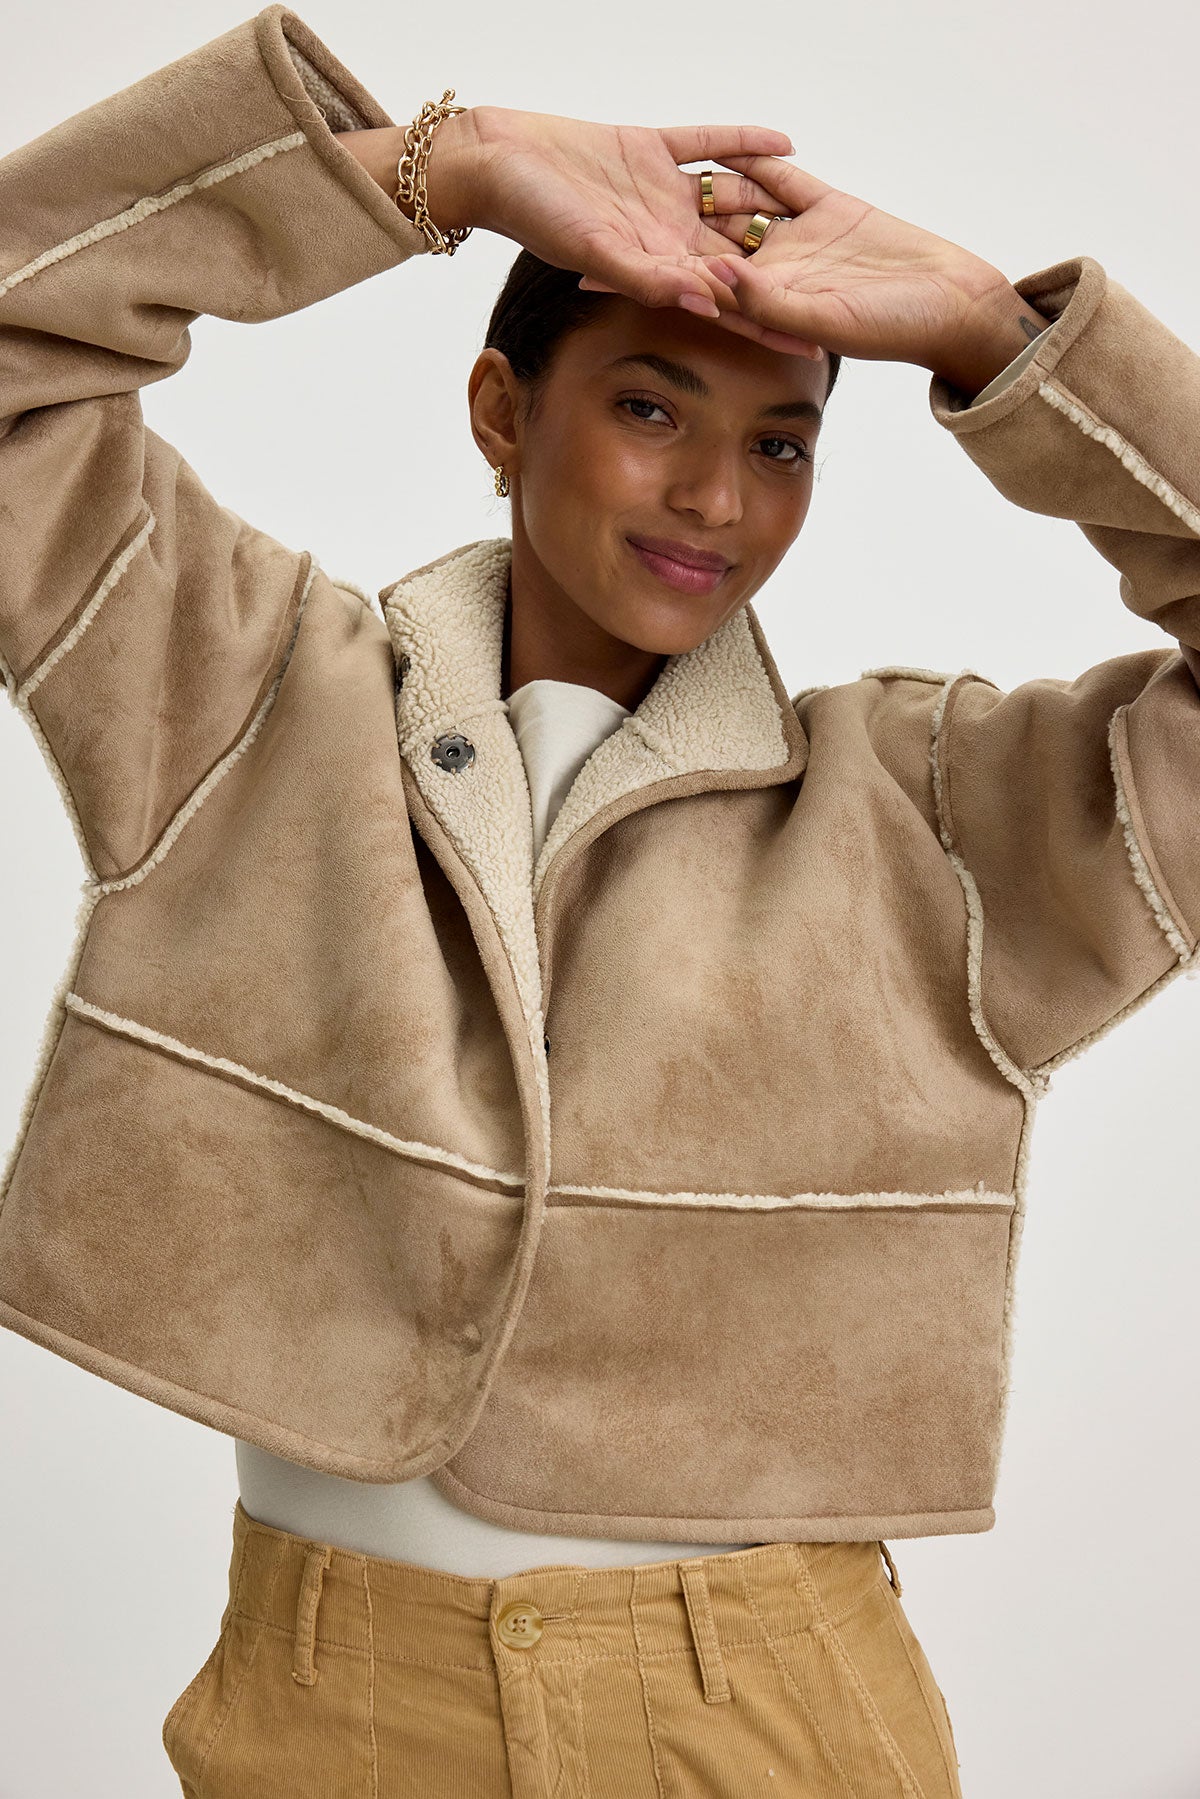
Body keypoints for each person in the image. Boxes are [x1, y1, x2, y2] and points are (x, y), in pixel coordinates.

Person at [2, 5, 1197, 1795]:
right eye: (650, 407)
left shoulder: (935, 817)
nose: (718, 496)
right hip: (329, 1701)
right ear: (503, 406)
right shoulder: (238, 690)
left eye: (783, 442)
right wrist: (430, 172)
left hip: (772, 1707)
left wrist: (998, 337)